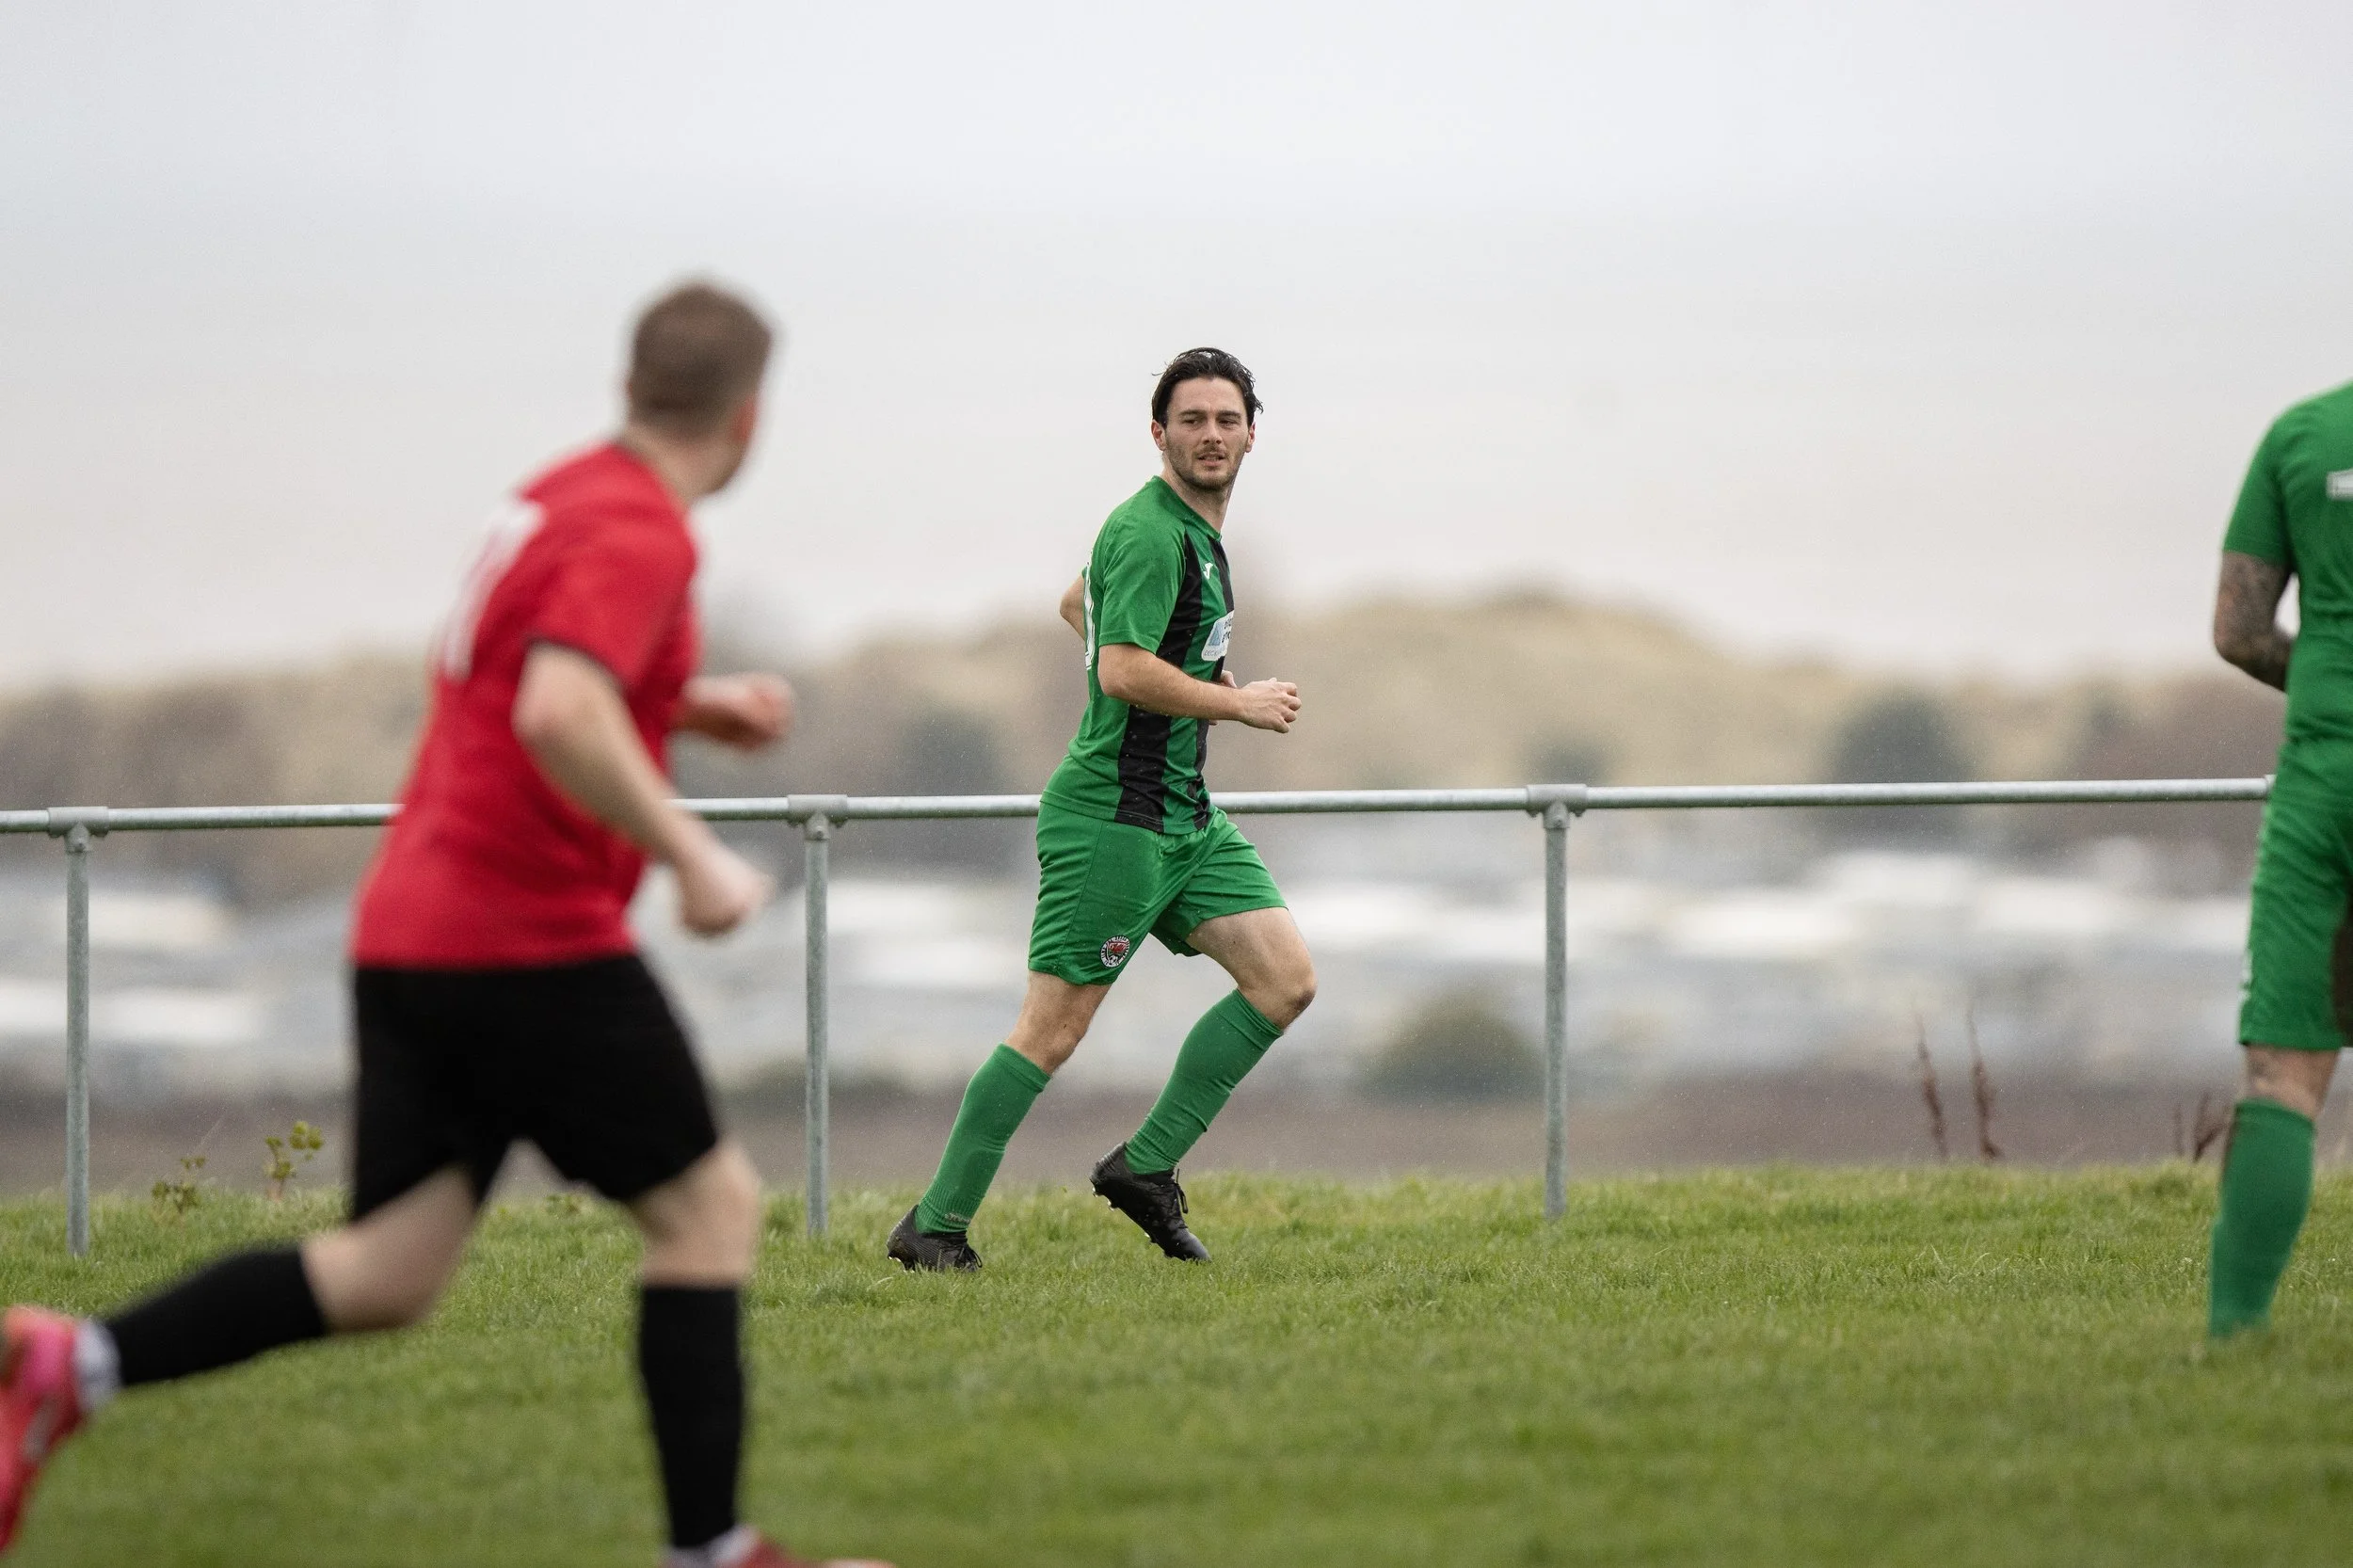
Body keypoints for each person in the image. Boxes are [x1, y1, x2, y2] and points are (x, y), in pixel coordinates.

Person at [0, 282, 891, 1568]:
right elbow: (554, 711)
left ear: (633, 383)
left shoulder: (558, 495)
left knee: (387, 1273)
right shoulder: (646, 531)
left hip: (413, 933)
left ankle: (70, 1359)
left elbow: (517, 673)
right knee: (710, 1212)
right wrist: (692, 854)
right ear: (750, 415)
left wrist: (684, 706)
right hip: (524, 942)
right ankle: (714, 1550)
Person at [888, 347, 1317, 1272]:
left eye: (1226, 419)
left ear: (1251, 433)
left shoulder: (1191, 531)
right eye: (1191, 420)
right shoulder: (1148, 530)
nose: (1210, 435)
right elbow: (1120, 668)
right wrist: (1231, 701)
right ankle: (935, 1226)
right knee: (1051, 1029)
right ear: (1157, 432)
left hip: (1185, 818)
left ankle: (1144, 1166)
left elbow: (1077, 604)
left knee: (1283, 979)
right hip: (1112, 821)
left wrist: (1192, 678)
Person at [2208, 378, 2353, 1338]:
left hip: (2326, 779)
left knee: (2283, 1081)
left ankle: (2232, 1336)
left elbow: (2239, 629)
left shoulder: (2304, 433)